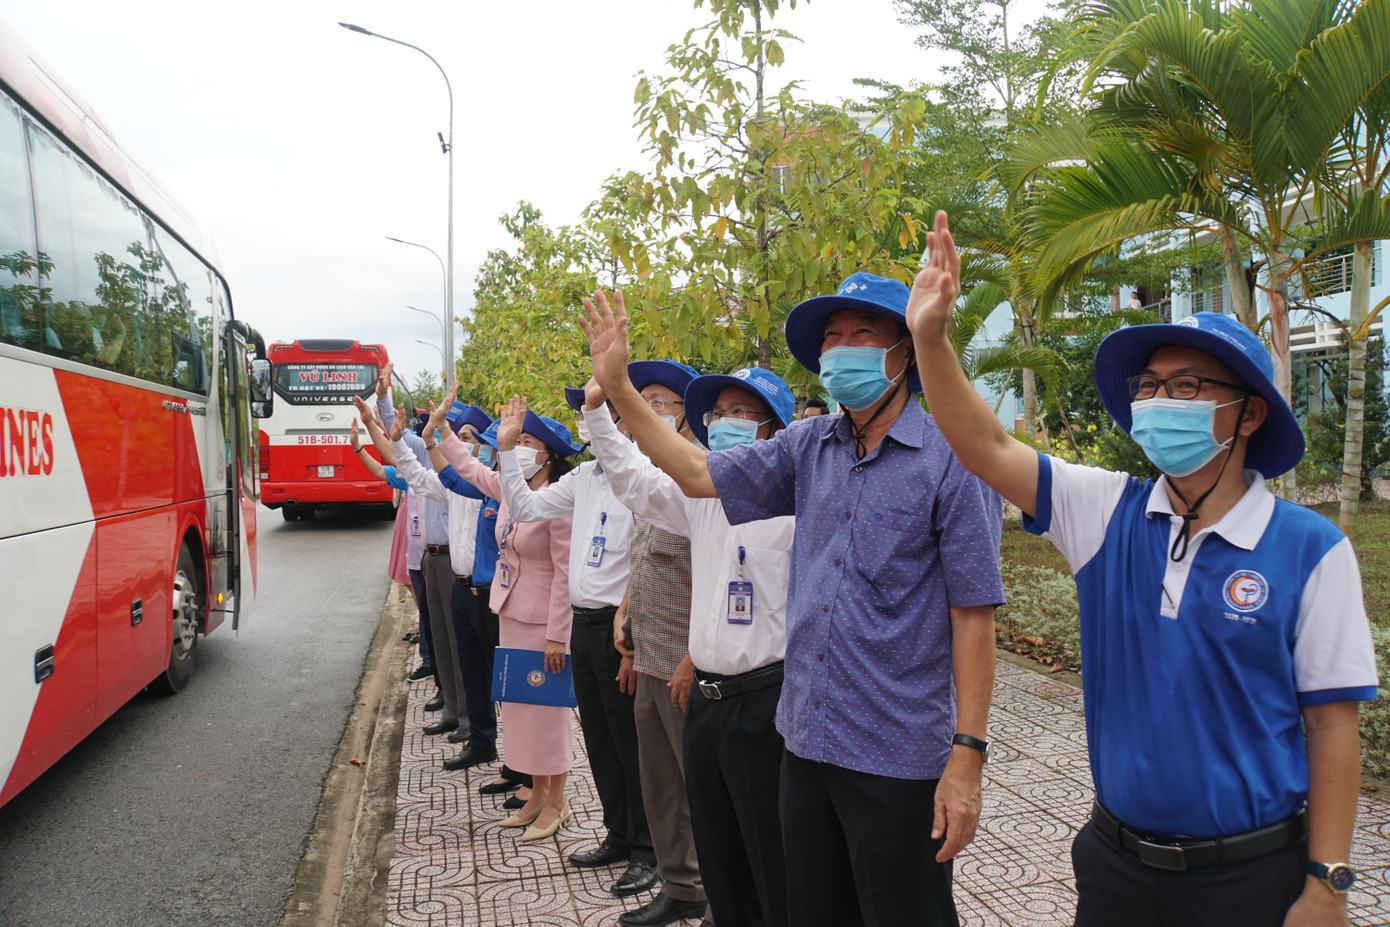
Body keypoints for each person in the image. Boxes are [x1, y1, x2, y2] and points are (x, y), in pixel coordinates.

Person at [906, 211, 1379, 927]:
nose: (1158, 401)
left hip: (1250, 877)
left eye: (1186, 386)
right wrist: (930, 339)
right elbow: (986, 444)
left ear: (1247, 415)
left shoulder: (1311, 550)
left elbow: (1333, 725)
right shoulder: (1105, 513)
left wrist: (1327, 884)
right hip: (1116, 869)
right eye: (1150, 386)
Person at [582, 282, 1004, 927]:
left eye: (863, 334)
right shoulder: (810, 449)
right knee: (811, 906)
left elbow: (973, 611)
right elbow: (695, 476)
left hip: (896, 748)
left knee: (901, 910)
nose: (843, 350)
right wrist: (619, 391)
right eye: (832, 337)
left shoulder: (953, 457)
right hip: (804, 739)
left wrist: (967, 756)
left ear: (906, 351)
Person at [580, 362, 797, 927]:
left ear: (773, 429)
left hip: (769, 702)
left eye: (740, 414)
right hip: (709, 699)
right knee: (719, 847)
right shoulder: (701, 498)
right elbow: (635, 479)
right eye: (717, 414)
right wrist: (600, 411)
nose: (723, 424)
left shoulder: (798, 505)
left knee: (768, 853)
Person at [496, 382, 657, 895]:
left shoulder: (644, 477)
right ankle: (617, 833)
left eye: (602, 410)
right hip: (584, 626)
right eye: (586, 411)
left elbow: (648, 562)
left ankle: (648, 850)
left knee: (633, 745)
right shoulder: (586, 477)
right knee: (603, 742)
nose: (589, 420)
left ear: (627, 418)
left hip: (619, 628)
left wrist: (633, 635)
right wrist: (504, 448)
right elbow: (524, 508)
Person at [430, 387, 581, 842]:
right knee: (518, 709)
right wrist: (441, 429)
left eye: (528, 443)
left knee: (547, 711)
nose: (516, 449)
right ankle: (535, 794)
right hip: (509, 611)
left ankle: (557, 802)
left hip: (544, 623)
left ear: (551, 455)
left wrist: (558, 634)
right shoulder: (513, 491)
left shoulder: (559, 499)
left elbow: (562, 574)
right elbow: (470, 467)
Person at [604, 359, 711, 927]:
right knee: (660, 784)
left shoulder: (708, 479)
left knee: (702, 791)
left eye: (662, 402)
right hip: (649, 658)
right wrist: (629, 639)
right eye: (641, 399)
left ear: (689, 414)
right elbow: (640, 564)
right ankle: (680, 885)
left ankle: (718, 888)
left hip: (689, 666)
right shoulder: (653, 482)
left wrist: (693, 658)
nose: (648, 412)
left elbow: (721, 579)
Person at [376, 397, 504, 771]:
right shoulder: (453, 485)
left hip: (493, 595)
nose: (463, 443)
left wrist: (436, 436)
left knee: (503, 675)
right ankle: (481, 740)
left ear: (487, 446)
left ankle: (523, 761)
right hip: (462, 588)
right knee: (470, 668)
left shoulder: (496, 485)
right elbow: (416, 476)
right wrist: (400, 442)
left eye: (469, 437)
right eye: (459, 436)